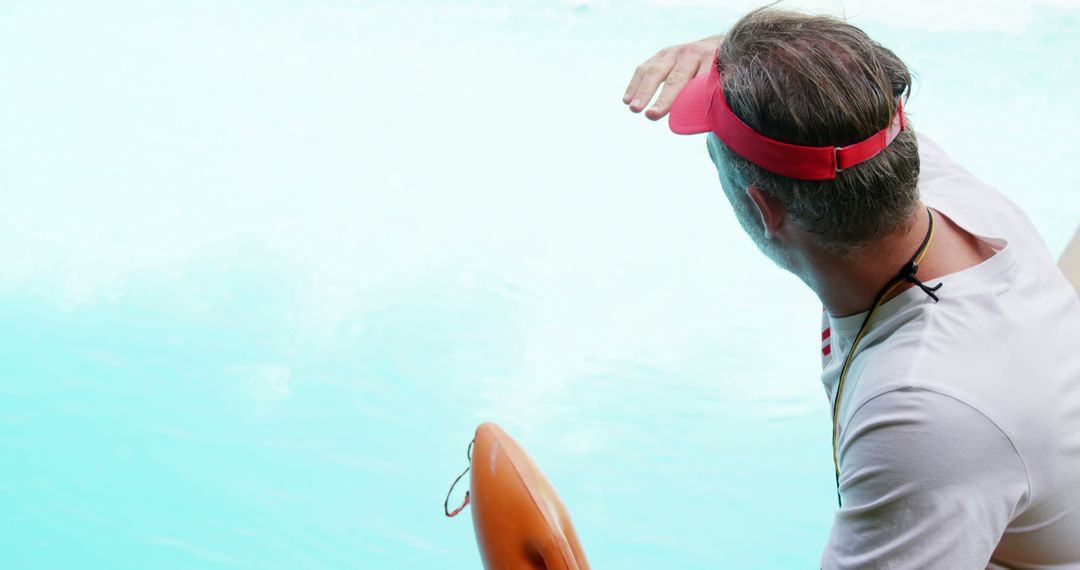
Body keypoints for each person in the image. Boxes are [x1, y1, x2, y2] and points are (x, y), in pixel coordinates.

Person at [623, 7, 1080, 569]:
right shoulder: (914, 177)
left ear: (764, 208)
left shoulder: (922, 411)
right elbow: (837, 91)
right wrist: (733, 53)